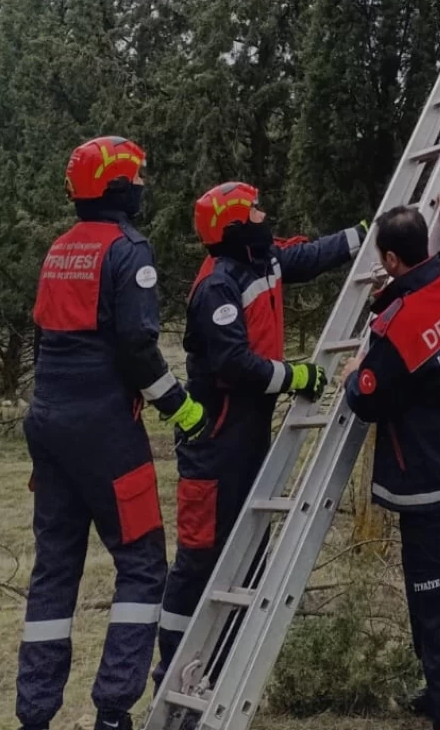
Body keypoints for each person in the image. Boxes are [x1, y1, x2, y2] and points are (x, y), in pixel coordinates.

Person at [16, 136, 207, 730]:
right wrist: (182, 408)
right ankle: (113, 710)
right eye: (139, 177)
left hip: (47, 421)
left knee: (55, 567)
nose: (144, 186)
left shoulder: (60, 248)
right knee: (143, 562)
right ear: (119, 186)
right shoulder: (129, 251)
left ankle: (35, 714)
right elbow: (136, 348)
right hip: (104, 429)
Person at [154, 182, 367, 680]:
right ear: (234, 225)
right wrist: (296, 376)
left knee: (250, 548)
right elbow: (233, 362)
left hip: (250, 433)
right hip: (216, 436)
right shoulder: (217, 286)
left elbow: (310, 256)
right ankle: (172, 672)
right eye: (255, 209)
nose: (264, 213)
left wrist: (364, 236)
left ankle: (224, 664)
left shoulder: (262, 261)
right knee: (200, 556)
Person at [342, 189, 440, 730]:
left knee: (439, 616)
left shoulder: (399, 329)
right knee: (429, 594)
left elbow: (366, 397)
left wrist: (353, 372)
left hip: (435, 487)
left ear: (389, 260)